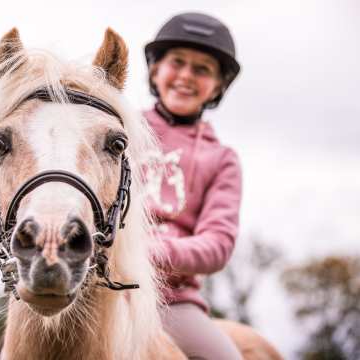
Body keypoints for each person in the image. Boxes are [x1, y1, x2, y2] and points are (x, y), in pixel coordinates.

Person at [143, 12, 243, 359]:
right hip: (94, 287)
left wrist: (149, 252)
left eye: (202, 69)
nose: (186, 75)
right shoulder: (117, 131)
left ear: (217, 86)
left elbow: (218, 244)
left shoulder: (222, 160)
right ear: (155, 70)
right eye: (177, 62)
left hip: (171, 304)